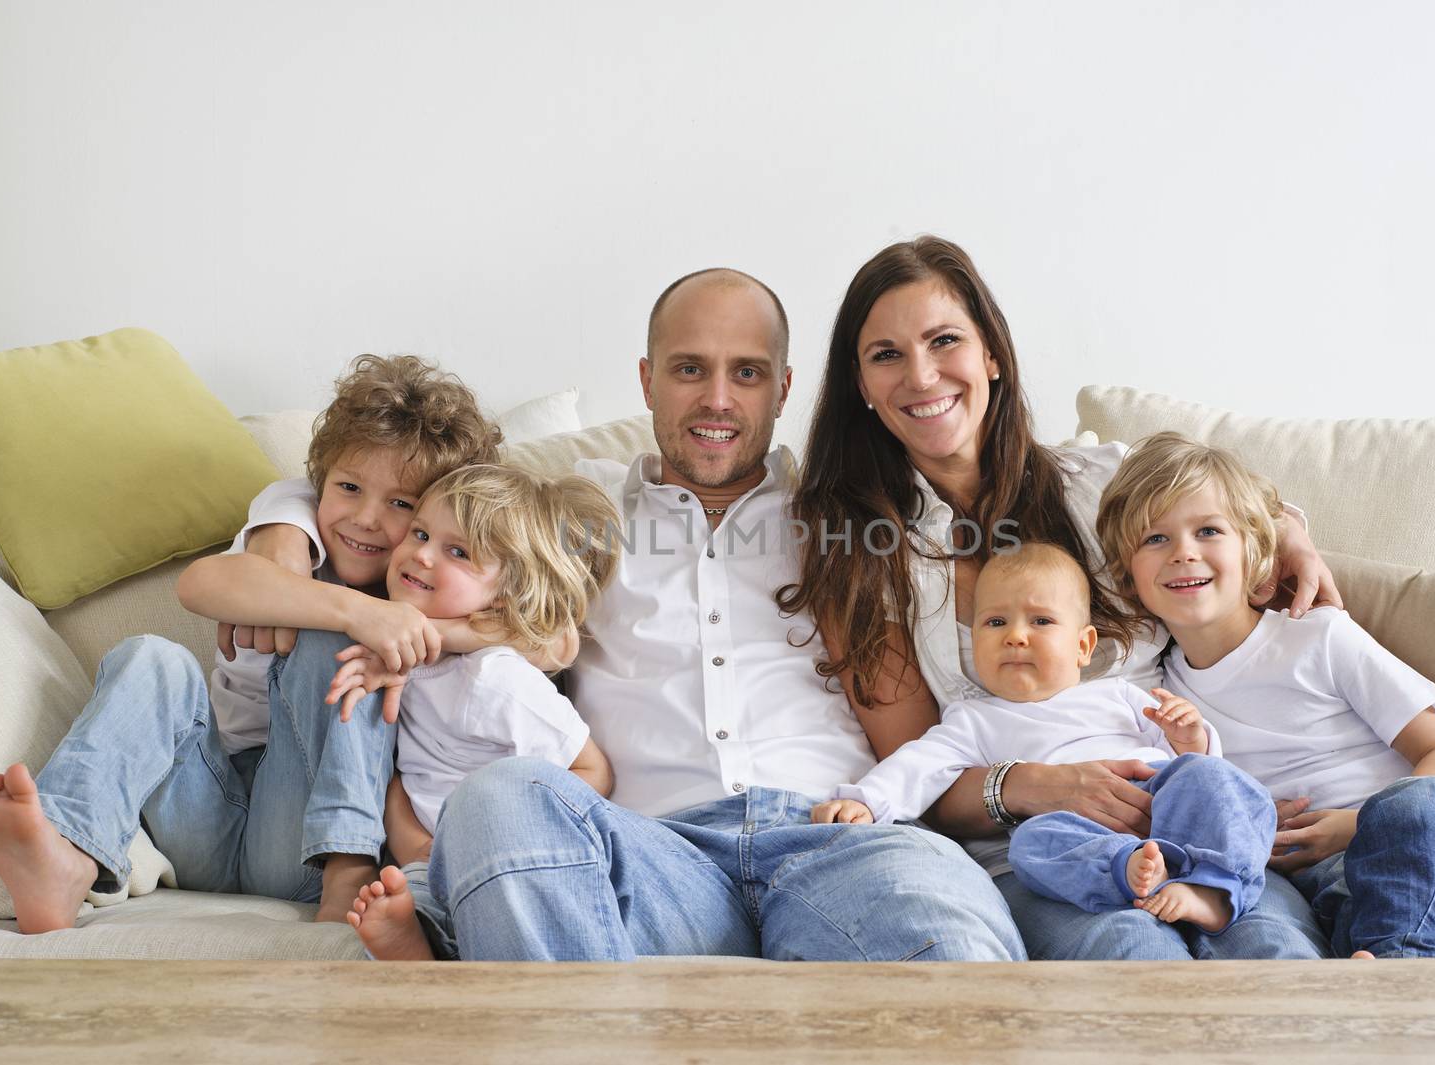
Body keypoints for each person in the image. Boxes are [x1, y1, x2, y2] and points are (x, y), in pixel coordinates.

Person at [784, 235, 1435, 960]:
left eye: (945, 340)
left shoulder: (1096, 483)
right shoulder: (860, 557)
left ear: (992, 355)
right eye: (887, 354)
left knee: (1274, 948)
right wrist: (1033, 786)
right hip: (1042, 847)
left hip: (1194, 821)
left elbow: (1229, 535)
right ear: (861, 385)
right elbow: (922, 772)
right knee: (1131, 952)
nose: (921, 375)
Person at [405, 267, 1026, 962]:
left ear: (784, 388)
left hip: (837, 841)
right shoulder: (572, 512)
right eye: (690, 369)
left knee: (941, 923)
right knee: (498, 798)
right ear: (647, 380)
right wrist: (286, 526)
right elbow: (390, 501)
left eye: (749, 373)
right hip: (651, 857)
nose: (718, 399)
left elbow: (914, 743)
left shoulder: (847, 520)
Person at [0, 355, 503, 930]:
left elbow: (544, 632)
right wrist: (356, 609)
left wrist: (395, 626)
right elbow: (200, 585)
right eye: (349, 488)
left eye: (401, 505)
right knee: (151, 657)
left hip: (305, 834)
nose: (365, 517)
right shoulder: (292, 532)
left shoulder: (433, 586)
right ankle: (66, 851)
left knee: (337, 643)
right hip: (204, 808)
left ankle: (350, 865)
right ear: (319, 485)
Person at [1095, 432, 1435, 957]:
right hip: (1321, 883)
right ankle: (1372, 958)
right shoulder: (1162, 698)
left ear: (1256, 552)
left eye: (1208, 531)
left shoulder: (1319, 636)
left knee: (1408, 810)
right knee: (1267, 905)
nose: (1184, 553)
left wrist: (1358, 825)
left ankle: (1408, 966)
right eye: (1155, 540)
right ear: (1126, 574)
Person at [811, 543, 1275, 934]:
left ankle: (1214, 889)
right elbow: (918, 765)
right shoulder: (972, 719)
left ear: (1083, 645)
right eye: (995, 623)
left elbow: (1200, 768)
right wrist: (867, 801)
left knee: (1217, 779)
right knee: (1032, 841)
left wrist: (1188, 735)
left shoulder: (1118, 694)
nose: (1015, 636)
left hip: (1163, 804)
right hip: (1083, 832)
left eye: (1040, 622)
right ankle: (1129, 871)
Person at [302, 463, 619, 960]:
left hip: (506, 849)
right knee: (409, 899)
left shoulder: (493, 680)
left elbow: (592, 769)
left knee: (464, 898)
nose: (421, 554)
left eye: (457, 551)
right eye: (421, 532)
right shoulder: (394, 652)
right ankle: (414, 943)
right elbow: (397, 782)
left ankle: (419, 941)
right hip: (424, 857)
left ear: (507, 593)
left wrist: (504, 839)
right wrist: (420, 851)